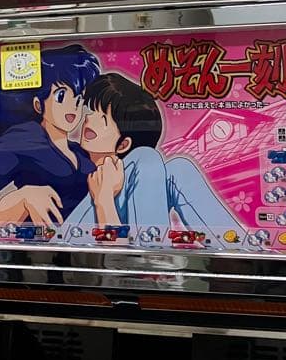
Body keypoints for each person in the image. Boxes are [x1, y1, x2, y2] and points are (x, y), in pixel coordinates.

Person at [62, 72, 242, 240]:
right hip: (74, 235)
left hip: (113, 227)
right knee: (146, 156)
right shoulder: (70, 157)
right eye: (91, 111)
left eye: (103, 119)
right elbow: (109, 245)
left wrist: (106, 194)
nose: (89, 120)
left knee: (180, 167)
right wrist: (103, 198)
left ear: (124, 144)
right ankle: (151, 243)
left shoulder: (129, 177)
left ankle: (235, 244)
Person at [0, 44, 99, 223]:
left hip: (78, 233)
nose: (72, 106)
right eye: (61, 96)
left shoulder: (78, 152)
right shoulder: (29, 136)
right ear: (38, 104)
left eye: (79, 99)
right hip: (35, 234)